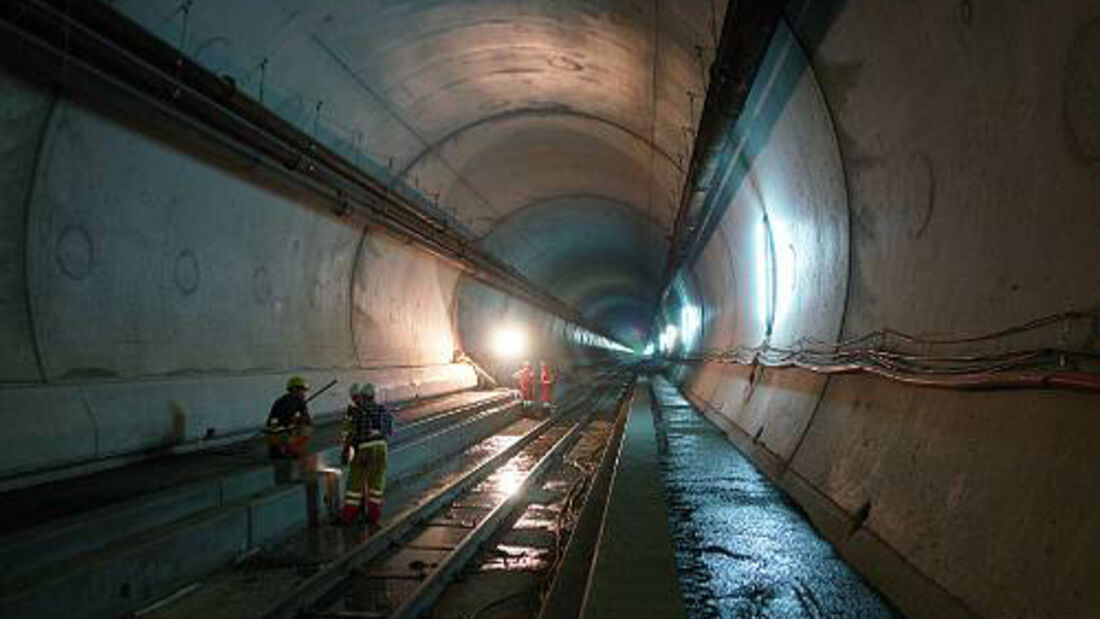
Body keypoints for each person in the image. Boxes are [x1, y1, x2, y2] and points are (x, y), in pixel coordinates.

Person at [340, 382, 393, 527]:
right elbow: (389, 431)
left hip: (365, 450)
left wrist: (345, 450)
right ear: (374, 396)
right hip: (382, 450)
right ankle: (373, 518)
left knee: (354, 486)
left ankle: (347, 517)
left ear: (362, 396)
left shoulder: (357, 412)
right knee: (376, 486)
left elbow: (350, 434)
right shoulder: (383, 410)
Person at [266, 376, 314, 458]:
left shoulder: (293, 401)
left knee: (304, 426)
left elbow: (306, 418)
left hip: (277, 431)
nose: (304, 393)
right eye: (302, 390)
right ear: (295, 389)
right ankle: (288, 448)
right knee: (306, 428)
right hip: (279, 431)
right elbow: (306, 420)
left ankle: (283, 448)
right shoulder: (286, 401)